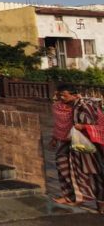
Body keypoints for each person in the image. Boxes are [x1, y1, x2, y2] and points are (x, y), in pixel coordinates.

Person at [49, 84, 104, 213]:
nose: (61, 97)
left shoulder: (85, 106)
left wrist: (84, 127)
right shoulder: (60, 107)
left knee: (93, 172)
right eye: (60, 95)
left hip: (86, 144)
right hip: (67, 142)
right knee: (63, 165)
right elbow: (60, 125)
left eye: (64, 95)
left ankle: (101, 203)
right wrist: (55, 138)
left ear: (74, 95)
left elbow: (98, 124)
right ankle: (70, 196)